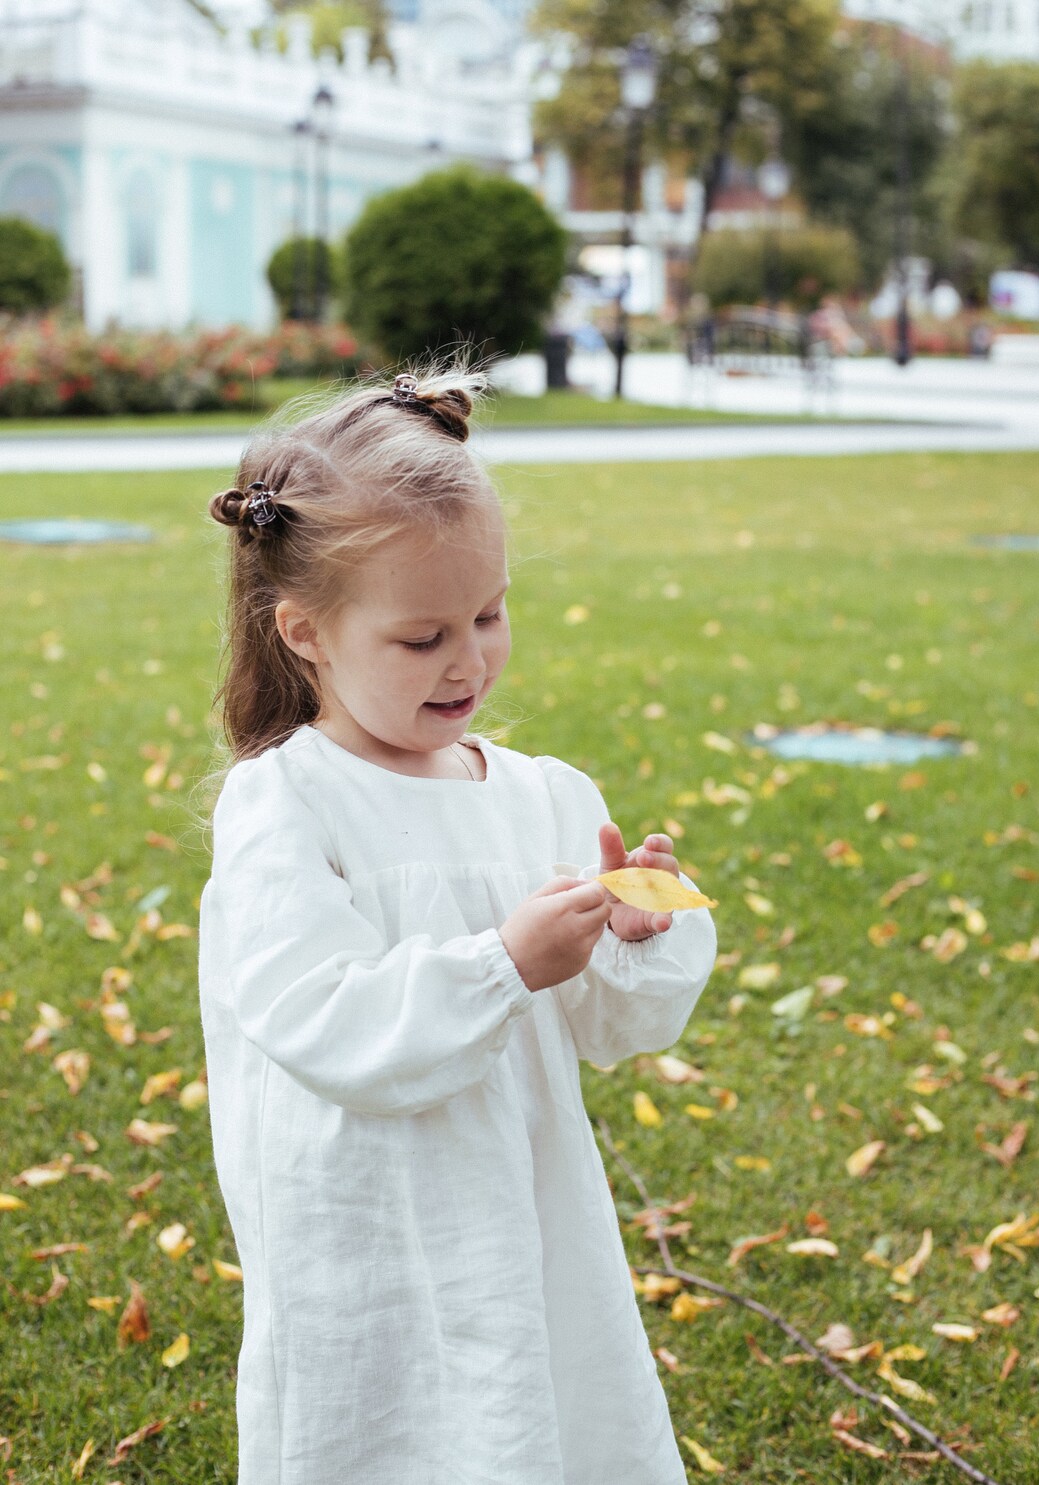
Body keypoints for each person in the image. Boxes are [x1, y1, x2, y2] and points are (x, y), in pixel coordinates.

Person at [198, 365, 717, 1485]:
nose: (470, 659)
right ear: (307, 634)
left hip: (525, 1203)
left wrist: (635, 938)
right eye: (423, 636)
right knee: (396, 1426)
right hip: (366, 1221)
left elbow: (610, 1029)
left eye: (488, 615)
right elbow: (316, 1020)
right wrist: (502, 965)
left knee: (528, 1408)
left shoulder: (542, 796)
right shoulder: (288, 802)